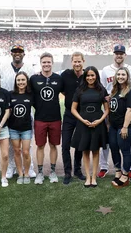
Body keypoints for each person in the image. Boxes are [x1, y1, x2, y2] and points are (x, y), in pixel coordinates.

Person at [99, 44, 131, 179]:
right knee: (111, 145)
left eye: (121, 53)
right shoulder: (106, 70)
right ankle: (106, 167)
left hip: (125, 119)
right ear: (113, 54)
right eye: (117, 53)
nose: (119, 55)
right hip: (111, 114)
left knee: (125, 147)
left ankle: (127, 170)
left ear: (125, 55)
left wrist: (125, 126)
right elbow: (103, 90)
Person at [0, 44, 36, 179]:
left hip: (26, 110)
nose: (17, 53)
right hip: (8, 110)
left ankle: (29, 168)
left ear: (24, 54)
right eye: (14, 51)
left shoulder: (30, 69)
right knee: (11, 145)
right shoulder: (3, 69)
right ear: (11, 53)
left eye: (20, 51)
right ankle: (11, 167)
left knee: (27, 144)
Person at [71, 66, 109, 187]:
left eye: (92, 75)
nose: (90, 78)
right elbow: (73, 109)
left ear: (96, 76)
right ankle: (87, 177)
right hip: (84, 124)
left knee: (96, 150)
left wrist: (99, 120)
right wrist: (82, 120)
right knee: (85, 151)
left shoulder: (101, 90)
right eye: (88, 75)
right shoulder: (80, 90)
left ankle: (94, 177)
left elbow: (107, 110)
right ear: (85, 76)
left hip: (98, 123)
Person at [30, 52, 64, 184]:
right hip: (40, 118)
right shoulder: (34, 79)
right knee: (40, 146)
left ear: (52, 63)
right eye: (44, 62)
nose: (46, 64)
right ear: (40, 64)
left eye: (48, 62)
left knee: (54, 145)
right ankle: (40, 173)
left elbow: (66, 93)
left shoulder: (59, 79)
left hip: (55, 118)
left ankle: (53, 172)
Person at [109, 67, 131, 188]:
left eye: (123, 75)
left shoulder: (130, 91)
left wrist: (125, 127)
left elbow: (130, 110)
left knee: (125, 151)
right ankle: (118, 171)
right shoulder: (115, 90)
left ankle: (125, 175)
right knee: (114, 149)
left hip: (124, 126)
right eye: (119, 74)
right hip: (113, 126)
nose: (120, 76)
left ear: (127, 77)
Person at [61, 52, 86, 185]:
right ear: (72, 62)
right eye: (75, 61)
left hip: (82, 115)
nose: (77, 64)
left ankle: (77, 170)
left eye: (79, 61)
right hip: (69, 114)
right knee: (65, 144)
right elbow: (62, 90)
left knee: (79, 144)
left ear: (83, 61)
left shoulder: (87, 75)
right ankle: (67, 172)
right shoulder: (65, 74)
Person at [8, 71, 33, 185]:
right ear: (16, 82)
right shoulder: (10, 94)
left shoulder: (30, 94)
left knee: (26, 152)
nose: (21, 82)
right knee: (17, 151)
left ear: (26, 81)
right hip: (13, 128)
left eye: (23, 80)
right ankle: (20, 174)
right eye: (18, 80)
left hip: (26, 129)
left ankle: (26, 173)